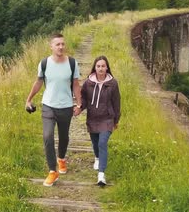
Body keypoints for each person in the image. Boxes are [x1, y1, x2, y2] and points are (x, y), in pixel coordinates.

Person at [25, 33, 82, 187]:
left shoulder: (72, 63)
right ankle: (52, 171)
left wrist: (78, 104)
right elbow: (38, 82)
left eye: (63, 44)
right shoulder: (44, 63)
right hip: (48, 106)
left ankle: (61, 158)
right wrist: (29, 99)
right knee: (47, 136)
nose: (61, 47)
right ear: (51, 46)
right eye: (57, 44)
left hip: (65, 106)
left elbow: (76, 84)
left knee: (64, 137)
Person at [80, 56, 121, 186]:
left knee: (102, 143)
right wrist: (79, 108)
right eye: (98, 66)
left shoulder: (113, 83)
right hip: (92, 118)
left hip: (107, 118)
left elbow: (116, 102)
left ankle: (101, 175)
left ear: (107, 67)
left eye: (103, 66)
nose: (101, 68)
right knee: (95, 143)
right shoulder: (88, 83)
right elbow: (84, 100)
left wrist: (116, 120)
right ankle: (97, 157)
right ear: (95, 68)